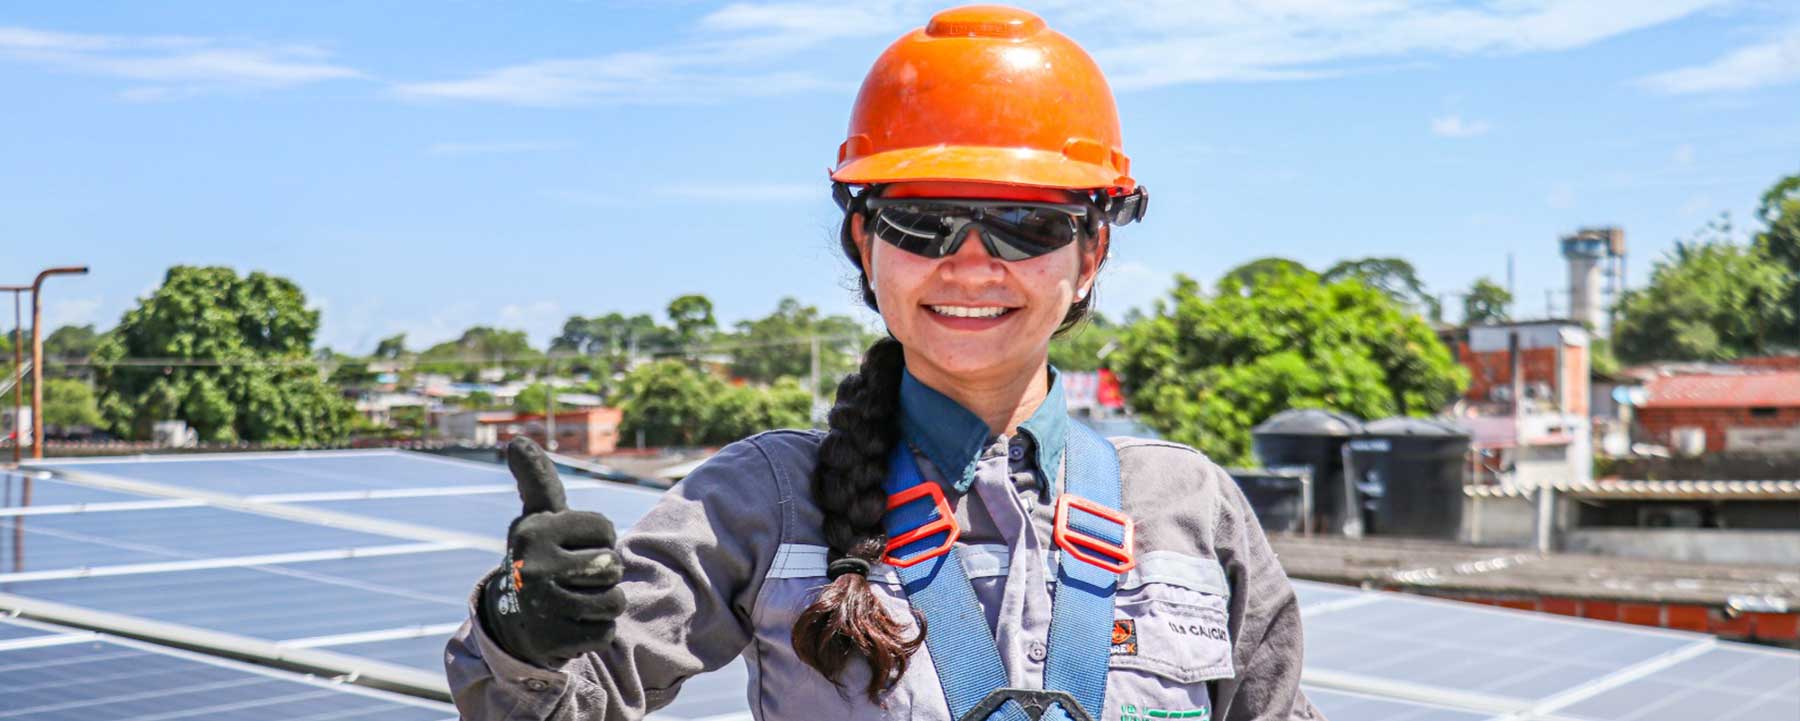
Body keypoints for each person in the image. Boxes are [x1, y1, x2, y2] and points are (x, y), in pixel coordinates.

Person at [446, 6, 1320, 720]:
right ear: (866, 243)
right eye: (924, 221)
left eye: (1028, 225)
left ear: (1091, 252)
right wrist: (524, 626)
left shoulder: (1189, 510)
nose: (972, 265)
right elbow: (553, 705)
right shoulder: (762, 501)